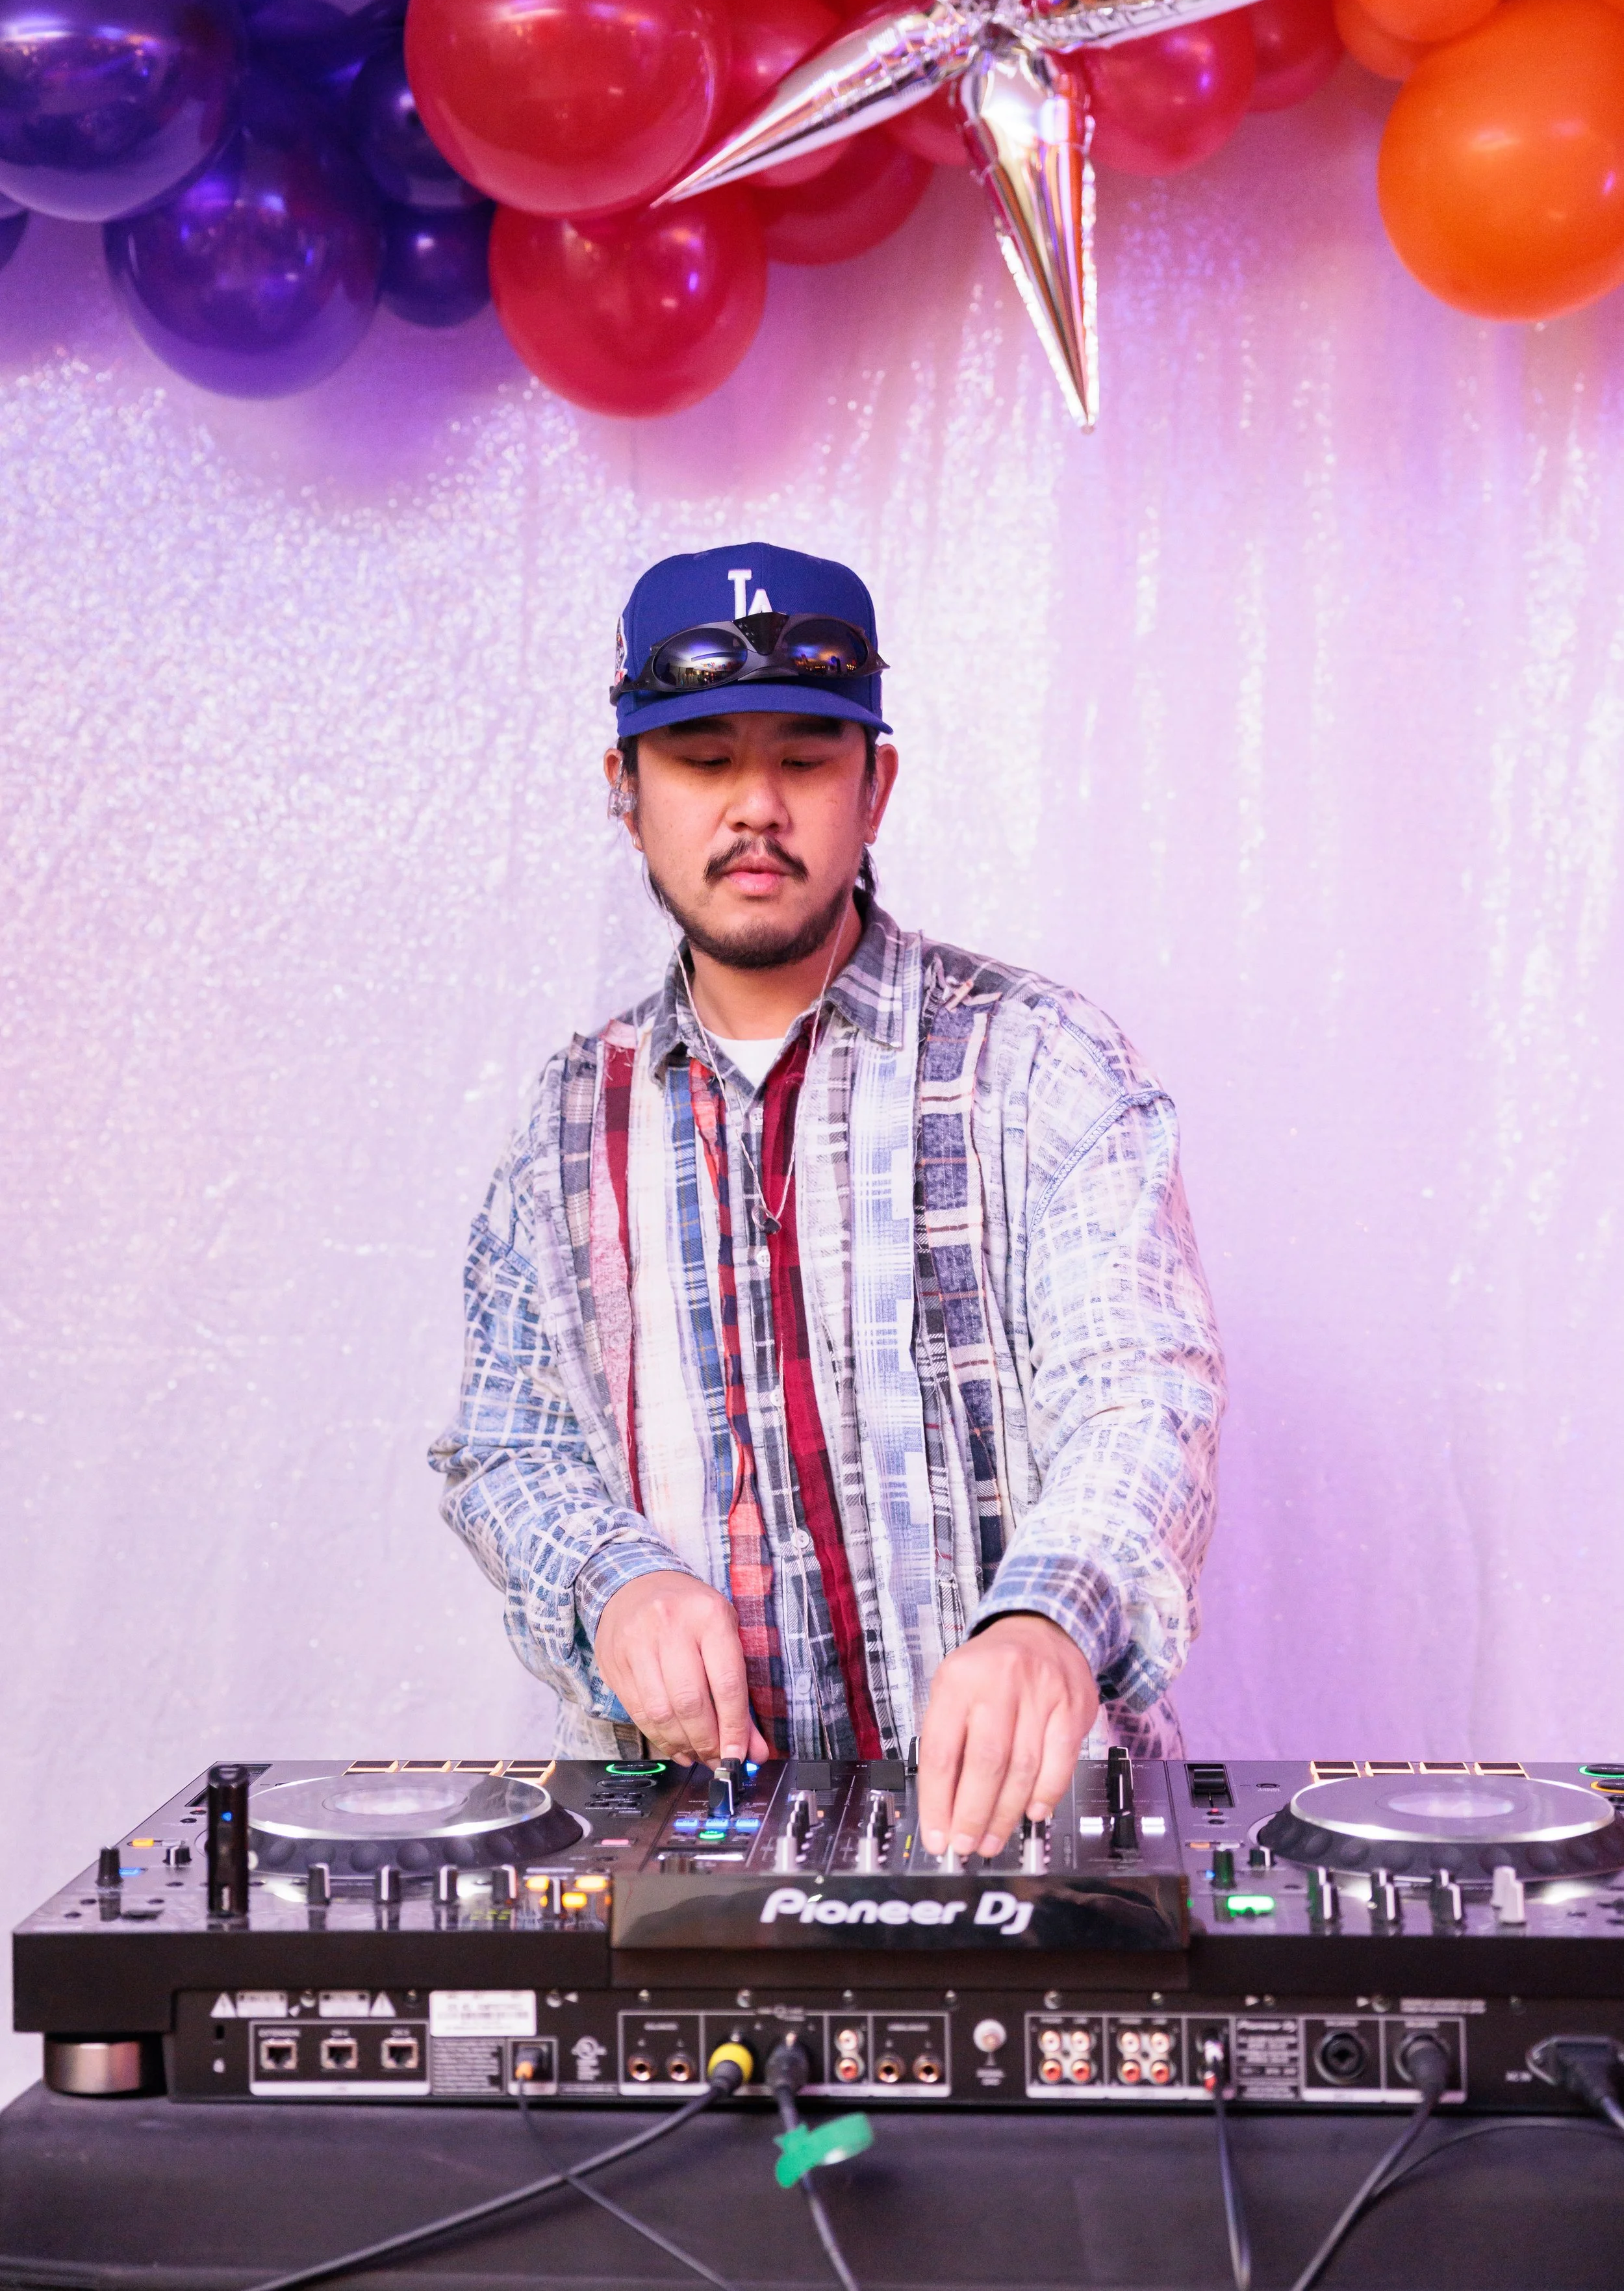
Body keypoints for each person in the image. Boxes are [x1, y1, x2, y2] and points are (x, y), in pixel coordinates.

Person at [433, 543, 1224, 1861]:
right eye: (699, 759)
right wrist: (607, 1576)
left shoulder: (1038, 1062)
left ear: (876, 786)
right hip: (685, 1870)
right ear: (624, 792)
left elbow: (1143, 1391)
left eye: (803, 757)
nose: (755, 805)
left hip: (1037, 1858)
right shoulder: (566, 1120)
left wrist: (1045, 1617)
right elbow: (507, 1443)